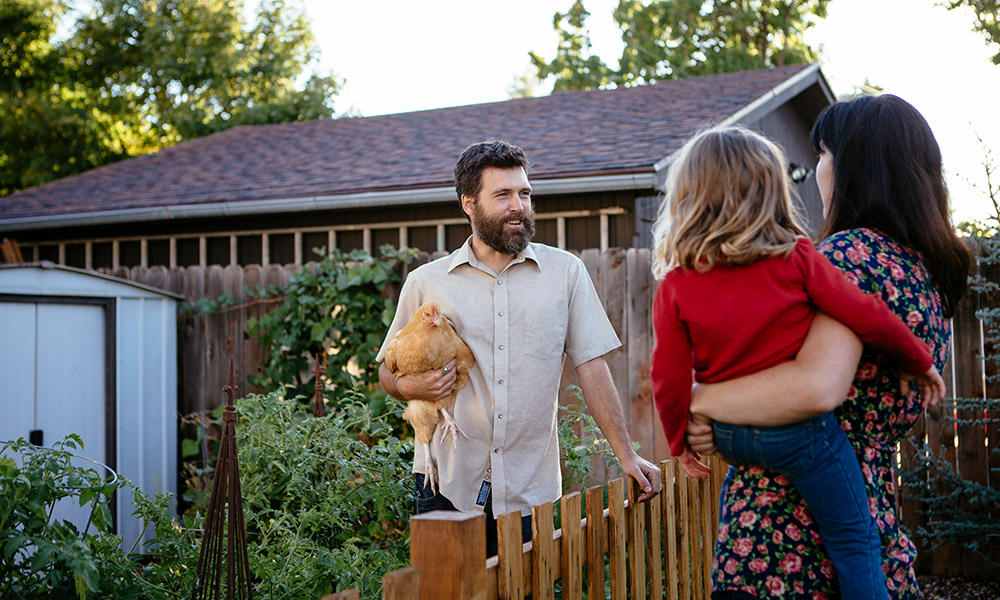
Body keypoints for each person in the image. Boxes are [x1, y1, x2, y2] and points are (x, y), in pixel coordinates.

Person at [684, 95, 972, 599]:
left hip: (788, 547)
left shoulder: (846, 258)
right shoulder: (924, 271)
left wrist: (698, 400)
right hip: (870, 522)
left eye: (821, 154)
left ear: (851, 166)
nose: (816, 169)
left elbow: (816, 386)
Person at [376, 139, 661, 556]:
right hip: (447, 486)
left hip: (530, 492)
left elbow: (592, 366)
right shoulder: (427, 282)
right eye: (503, 195)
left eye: (525, 193)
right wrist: (410, 389)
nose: (518, 206)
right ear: (469, 203)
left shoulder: (565, 273)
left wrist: (627, 455)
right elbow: (388, 370)